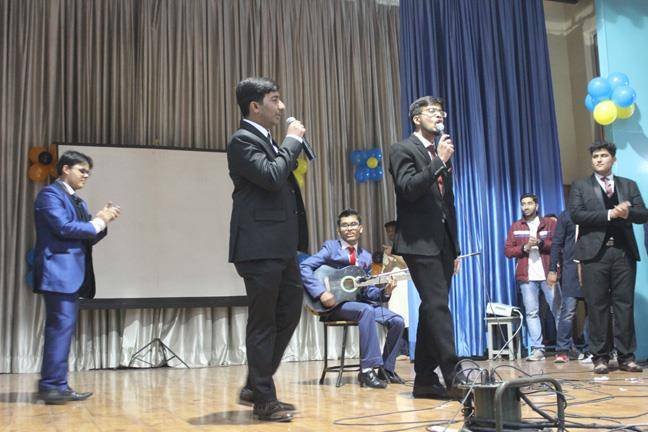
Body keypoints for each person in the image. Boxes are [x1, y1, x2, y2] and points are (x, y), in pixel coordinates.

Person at [227, 77, 309, 422]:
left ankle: (254, 384)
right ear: (254, 106)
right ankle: (264, 399)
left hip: (281, 247)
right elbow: (272, 177)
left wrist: (287, 144)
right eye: (275, 99)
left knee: (289, 311)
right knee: (263, 321)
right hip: (259, 246)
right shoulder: (242, 140)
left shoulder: (269, 141)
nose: (282, 107)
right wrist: (293, 141)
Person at [388, 96, 464, 400]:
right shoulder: (402, 149)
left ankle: (423, 380)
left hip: (443, 242)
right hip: (418, 241)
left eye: (441, 111)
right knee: (437, 306)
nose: (439, 115)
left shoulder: (441, 152)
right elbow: (408, 189)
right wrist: (438, 162)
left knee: (431, 307)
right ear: (416, 118)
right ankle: (454, 376)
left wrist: (455, 247)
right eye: (432, 111)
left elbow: (447, 204)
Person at [33, 150, 121, 404]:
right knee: (59, 330)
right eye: (82, 171)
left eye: (88, 173)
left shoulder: (77, 201)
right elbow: (63, 228)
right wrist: (98, 221)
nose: (86, 176)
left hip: (71, 275)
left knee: (62, 331)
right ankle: (51, 386)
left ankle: (58, 385)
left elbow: (86, 236)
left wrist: (102, 221)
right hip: (58, 274)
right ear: (65, 169)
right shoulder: (50, 195)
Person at [300, 209, 405, 388]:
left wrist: (386, 291)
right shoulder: (330, 248)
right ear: (338, 230)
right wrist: (321, 293)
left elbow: (368, 291)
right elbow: (304, 267)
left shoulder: (365, 257)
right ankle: (367, 371)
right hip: (334, 306)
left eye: (353, 224)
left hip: (360, 306)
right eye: (344, 225)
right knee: (366, 310)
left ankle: (386, 369)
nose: (349, 228)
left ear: (361, 228)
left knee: (397, 321)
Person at [568, 141, 648, 374]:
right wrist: (610, 214)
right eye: (595, 156)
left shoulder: (628, 185)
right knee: (597, 306)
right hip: (594, 255)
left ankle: (626, 357)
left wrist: (627, 212)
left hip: (623, 252)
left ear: (613, 159)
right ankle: (600, 357)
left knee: (624, 305)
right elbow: (576, 215)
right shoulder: (581, 186)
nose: (599, 159)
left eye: (603, 155)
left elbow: (643, 214)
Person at [504, 193, 559, 361]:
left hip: (548, 273)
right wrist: (524, 247)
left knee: (558, 310)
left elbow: (558, 245)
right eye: (523, 204)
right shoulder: (516, 226)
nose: (526, 207)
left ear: (537, 206)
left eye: (529, 203)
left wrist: (541, 244)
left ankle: (565, 347)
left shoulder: (549, 223)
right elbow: (508, 251)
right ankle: (538, 349)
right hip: (526, 277)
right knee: (532, 313)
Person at [547, 210, 585, 363]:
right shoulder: (566, 215)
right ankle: (562, 350)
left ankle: (592, 349)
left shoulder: (594, 211)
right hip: (571, 268)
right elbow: (556, 243)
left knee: (595, 310)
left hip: (592, 267)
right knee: (568, 310)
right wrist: (552, 269)